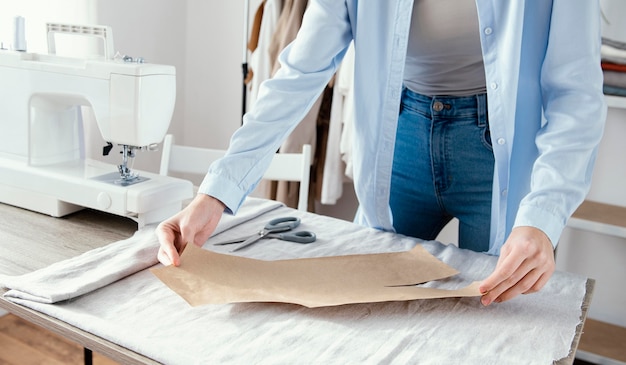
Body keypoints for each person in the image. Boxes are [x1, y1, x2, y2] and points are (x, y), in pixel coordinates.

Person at [157, 0, 607, 307]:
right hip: (402, 136)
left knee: (496, 309)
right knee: (366, 303)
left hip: (495, 149)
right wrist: (214, 194)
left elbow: (575, 94)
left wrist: (540, 219)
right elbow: (300, 71)